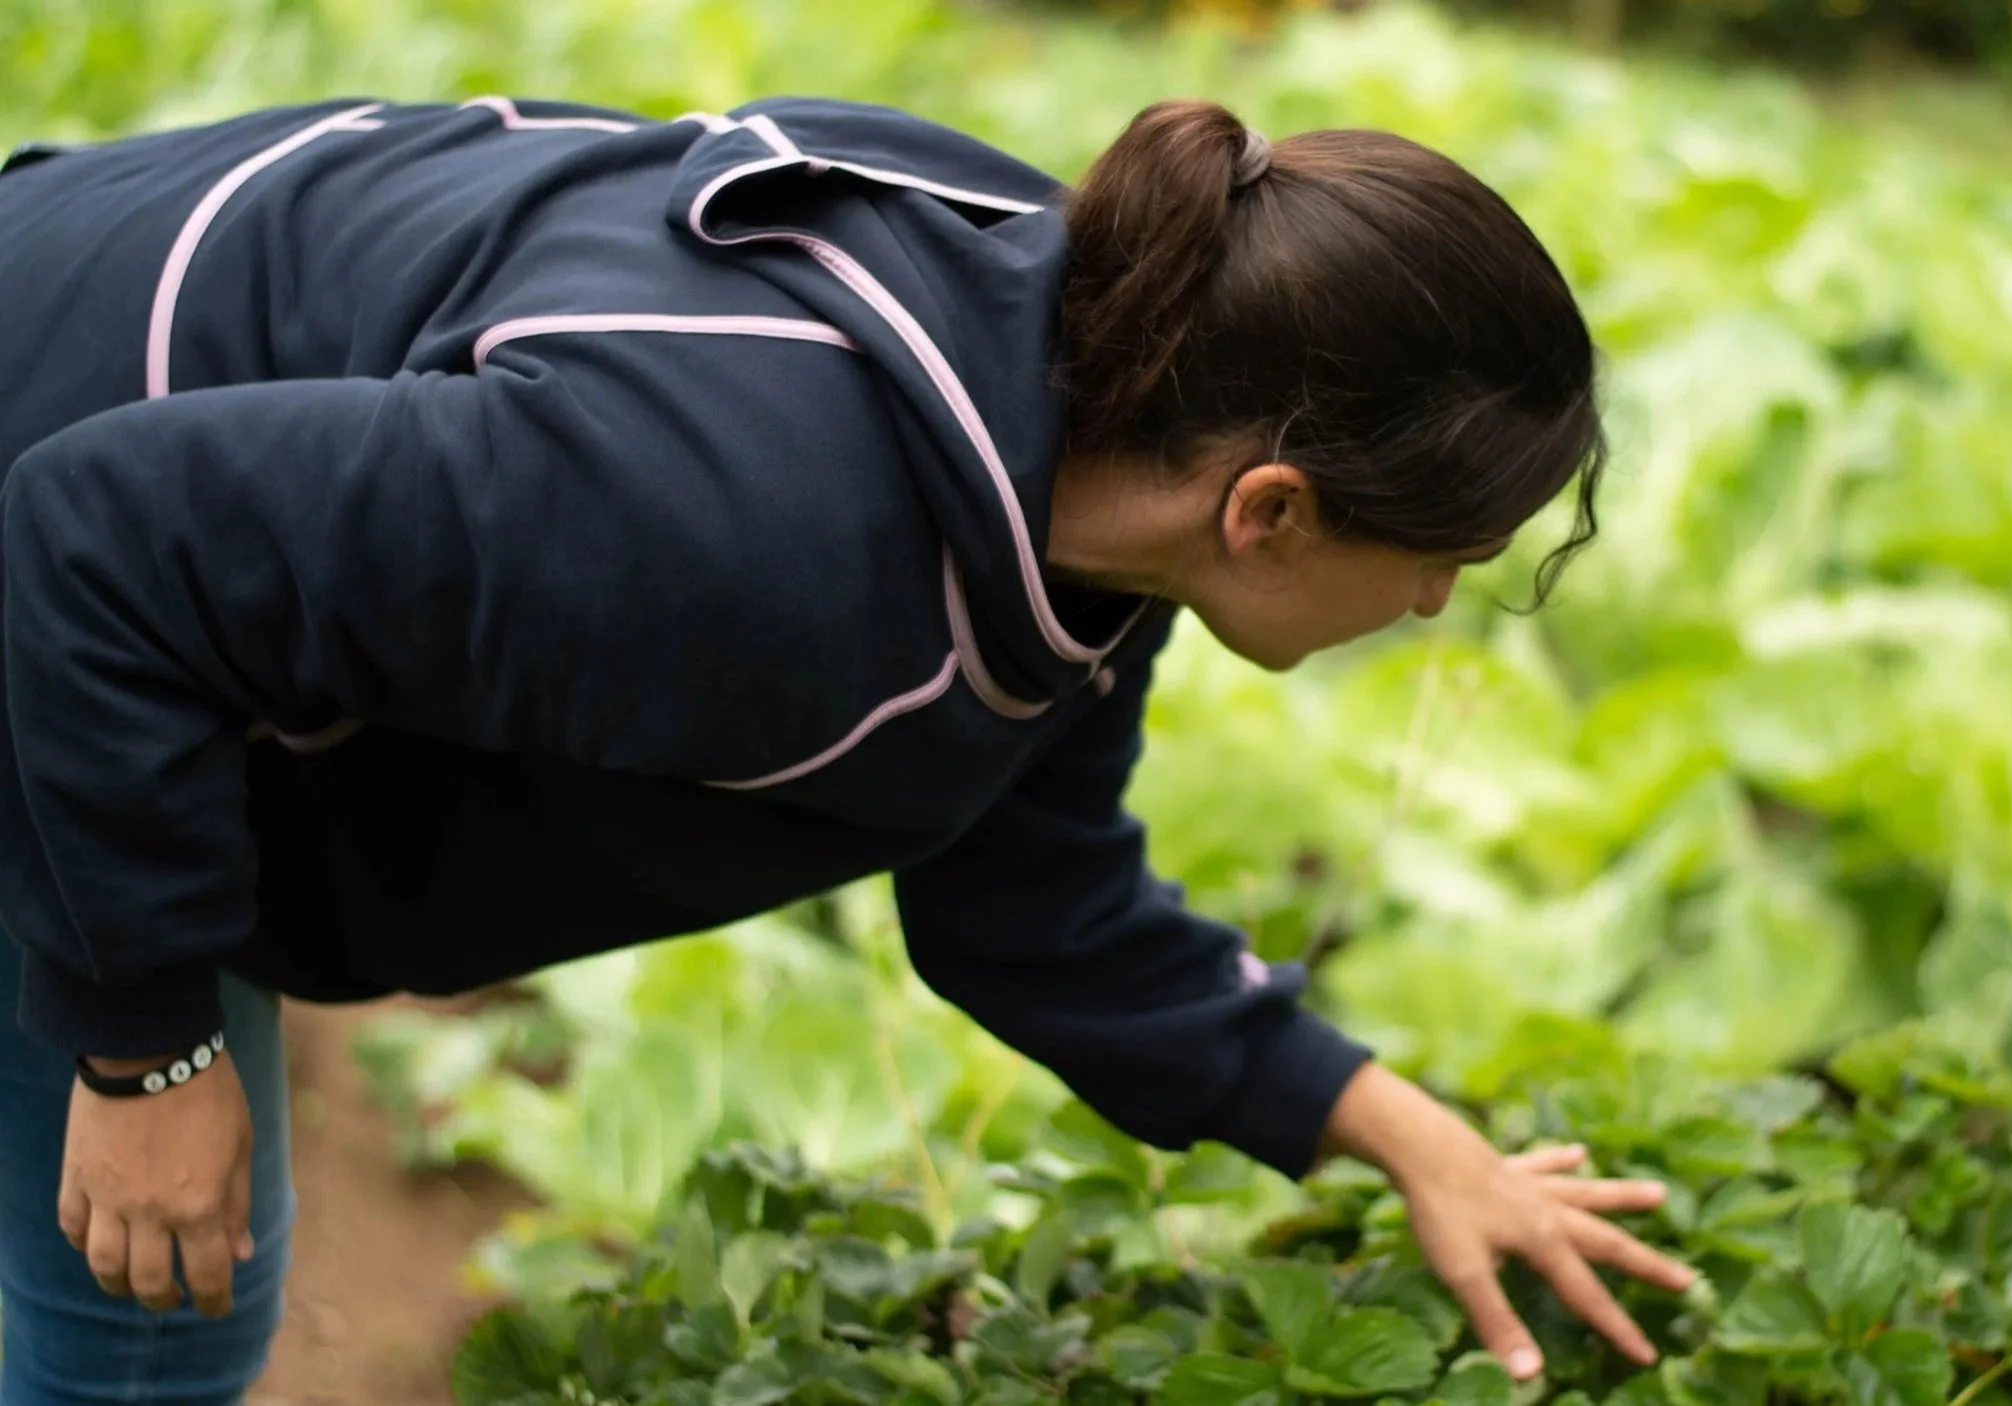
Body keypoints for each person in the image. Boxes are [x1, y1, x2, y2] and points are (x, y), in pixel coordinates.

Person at [0, 90, 1690, 1404]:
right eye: (1441, 559)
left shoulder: (1095, 436)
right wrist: (146, 1044)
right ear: (1271, 509)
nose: (1435, 605)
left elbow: (1037, 910)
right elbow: (99, 546)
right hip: (59, 555)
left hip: (130, 549)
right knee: (149, 1315)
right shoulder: (726, 519)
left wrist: (1403, 1134)